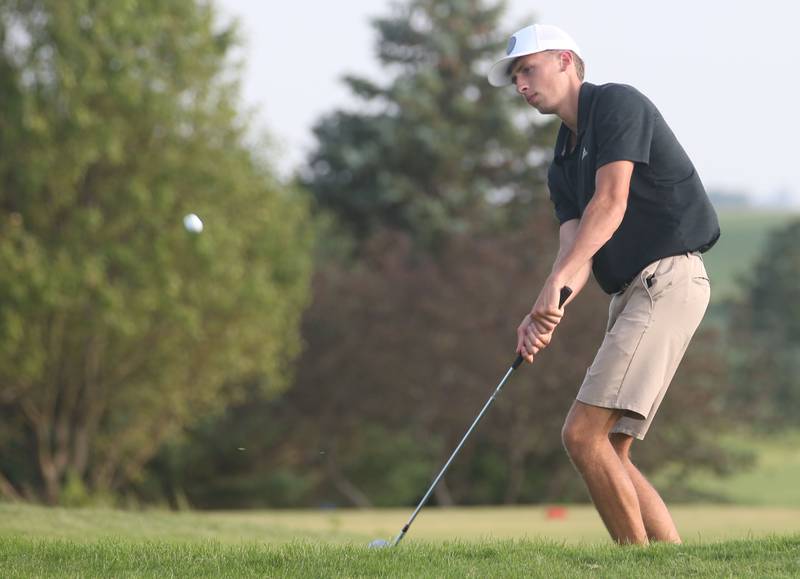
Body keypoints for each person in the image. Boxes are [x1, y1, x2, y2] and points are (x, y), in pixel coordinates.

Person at [487, 24, 720, 545]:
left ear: (566, 60)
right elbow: (573, 255)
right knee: (609, 445)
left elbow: (610, 203)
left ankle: (634, 563)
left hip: (668, 280)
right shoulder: (562, 161)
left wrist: (556, 287)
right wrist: (544, 309)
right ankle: (666, 562)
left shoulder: (617, 105)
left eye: (528, 69)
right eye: (515, 78)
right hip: (631, 293)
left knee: (581, 434)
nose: (521, 85)